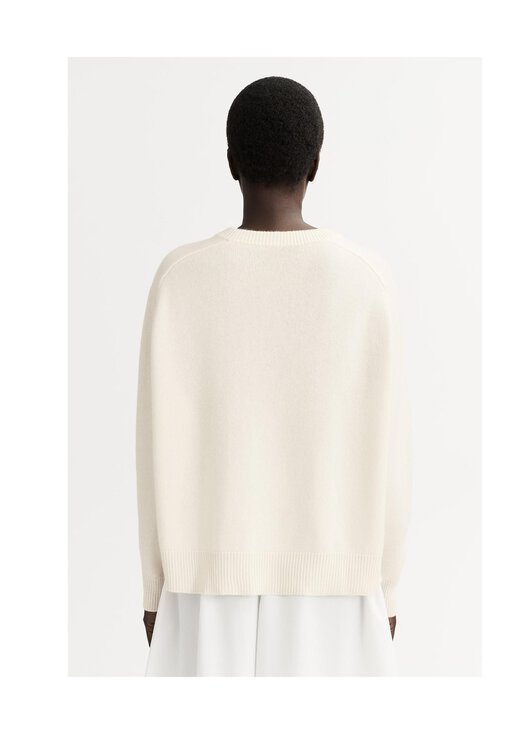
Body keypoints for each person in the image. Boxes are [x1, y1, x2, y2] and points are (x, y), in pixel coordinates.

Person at [136, 76, 412, 676]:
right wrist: (385, 590)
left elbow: (154, 443)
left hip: (203, 583)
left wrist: (155, 586)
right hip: (339, 588)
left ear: (230, 161)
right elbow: (391, 452)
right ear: (316, 164)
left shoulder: (180, 278)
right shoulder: (366, 280)